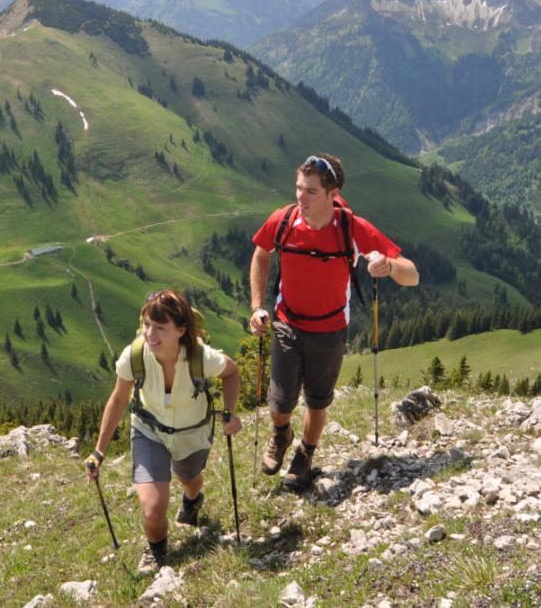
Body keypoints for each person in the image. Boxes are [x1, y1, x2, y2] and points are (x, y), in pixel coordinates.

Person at [249, 153, 418, 491]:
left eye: (310, 191)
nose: (300, 197)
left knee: (317, 400)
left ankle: (305, 455)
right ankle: (281, 434)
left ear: (333, 194)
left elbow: (411, 274)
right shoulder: (282, 220)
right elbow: (261, 254)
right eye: (299, 188)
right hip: (286, 323)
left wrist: (388, 267)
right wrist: (256, 306)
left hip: (328, 329)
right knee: (280, 403)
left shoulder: (351, 228)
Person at [85, 289, 242, 574]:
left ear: (181, 330)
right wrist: (99, 451)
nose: (150, 334)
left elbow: (231, 373)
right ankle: (157, 551)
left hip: (191, 432)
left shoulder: (201, 357)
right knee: (152, 509)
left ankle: (193, 499)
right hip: (149, 430)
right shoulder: (134, 356)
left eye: (160, 327)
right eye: (146, 325)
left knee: (189, 478)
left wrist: (231, 412)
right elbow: (118, 399)